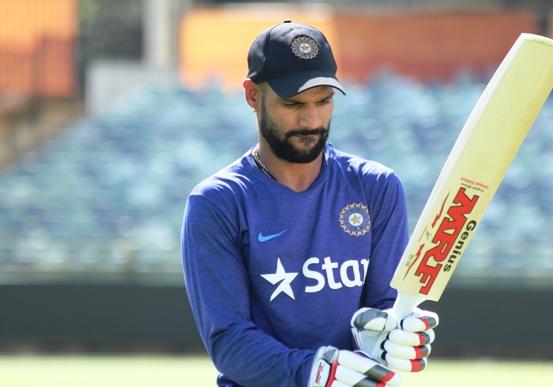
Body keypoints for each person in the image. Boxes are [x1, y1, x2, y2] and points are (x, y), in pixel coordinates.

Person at [181, 20, 438, 387]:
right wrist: (313, 372)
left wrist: (394, 335)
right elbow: (228, 339)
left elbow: (384, 304)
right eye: (293, 103)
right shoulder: (217, 202)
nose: (312, 119)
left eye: (324, 100)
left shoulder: (376, 186)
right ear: (253, 95)